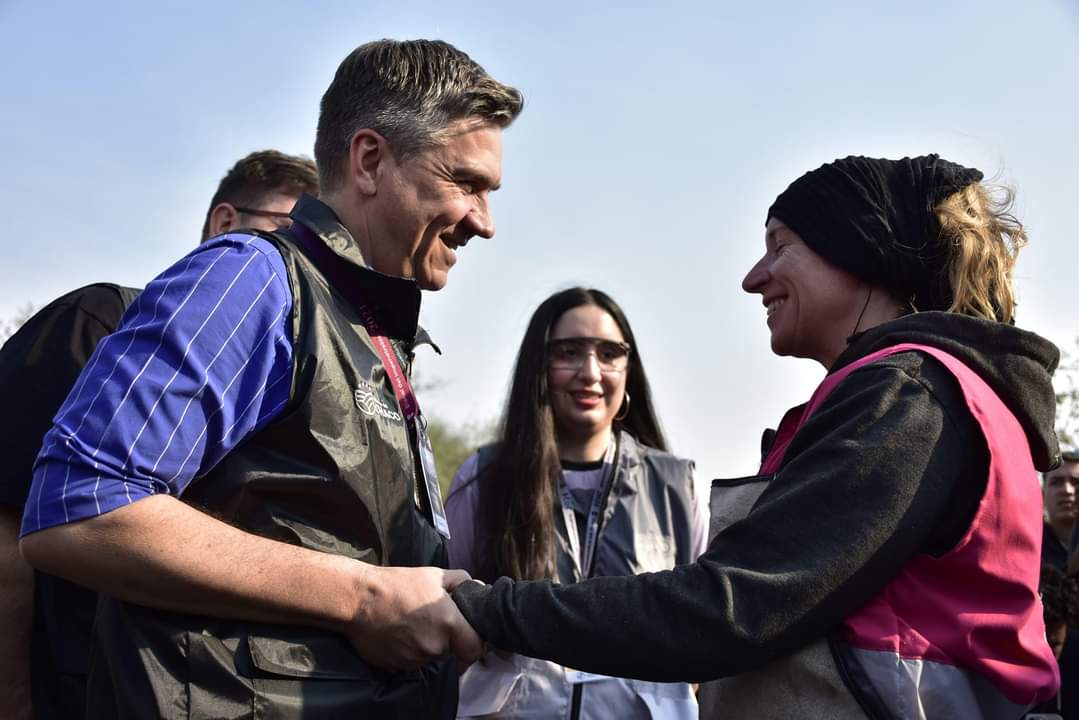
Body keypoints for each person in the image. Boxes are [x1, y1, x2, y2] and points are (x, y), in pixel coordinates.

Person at [452, 154, 1061, 718]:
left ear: (859, 250)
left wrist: (489, 608)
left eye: (780, 247)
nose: (753, 277)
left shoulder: (906, 396)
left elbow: (730, 608)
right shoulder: (914, 391)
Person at [18, 39, 522, 719]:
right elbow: (80, 507)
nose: (484, 223)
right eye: (466, 182)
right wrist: (364, 596)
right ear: (369, 161)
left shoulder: (372, 329)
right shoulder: (249, 280)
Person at [0, 149, 318, 720]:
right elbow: (4, 537)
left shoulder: (288, 391)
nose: (300, 259)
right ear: (226, 221)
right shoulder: (98, 321)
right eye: (287, 231)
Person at [446, 287, 705, 718]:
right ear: (539, 366)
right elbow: (448, 616)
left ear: (629, 370)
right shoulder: (484, 478)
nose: (590, 372)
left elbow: (700, 627)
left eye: (609, 353)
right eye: (569, 352)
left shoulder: (677, 484)